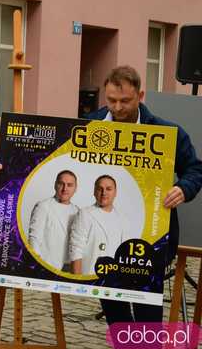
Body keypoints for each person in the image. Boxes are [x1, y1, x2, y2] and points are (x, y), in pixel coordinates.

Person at [87, 65, 202, 324]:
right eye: (111, 100)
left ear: (140, 96)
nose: (116, 108)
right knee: (114, 309)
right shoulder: (89, 126)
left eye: (125, 101)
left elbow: (195, 169)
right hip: (104, 232)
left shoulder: (167, 132)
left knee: (147, 312)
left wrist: (184, 188)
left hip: (151, 235)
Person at [69, 175, 130, 275]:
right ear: (94, 192)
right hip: (89, 274)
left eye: (108, 189)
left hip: (113, 278)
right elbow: (76, 251)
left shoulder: (123, 218)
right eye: (100, 189)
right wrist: (78, 282)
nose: (104, 193)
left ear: (115, 192)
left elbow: (125, 254)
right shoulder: (85, 214)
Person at [28, 170, 80, 271]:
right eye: (61, 184)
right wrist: (37, 266)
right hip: (47, 265)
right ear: (55, 185)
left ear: (75, 188)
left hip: (69, 268)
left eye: (69, 185)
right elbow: (34, 239)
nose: (65, 188)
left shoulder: (77, 211)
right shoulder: (43, 206)